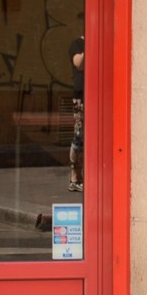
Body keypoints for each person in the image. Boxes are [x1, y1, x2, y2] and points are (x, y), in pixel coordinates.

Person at [68, 35, 84, 192]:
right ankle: (75, 178)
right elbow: (78, 64)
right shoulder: (77, 43)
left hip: (97, 96)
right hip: (81, 98)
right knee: (78, 136)